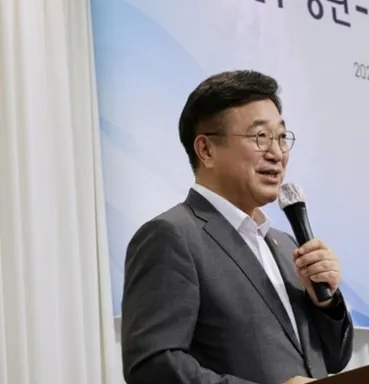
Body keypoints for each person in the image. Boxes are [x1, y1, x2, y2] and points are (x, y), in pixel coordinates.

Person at [120, 70, 354, 384]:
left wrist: (325, 302)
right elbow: (152, 366)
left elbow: (334, 359)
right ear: (206, 150)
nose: (277, 153)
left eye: (281, 137)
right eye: (260, 137)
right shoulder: (171, 236)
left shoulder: (286, 245)